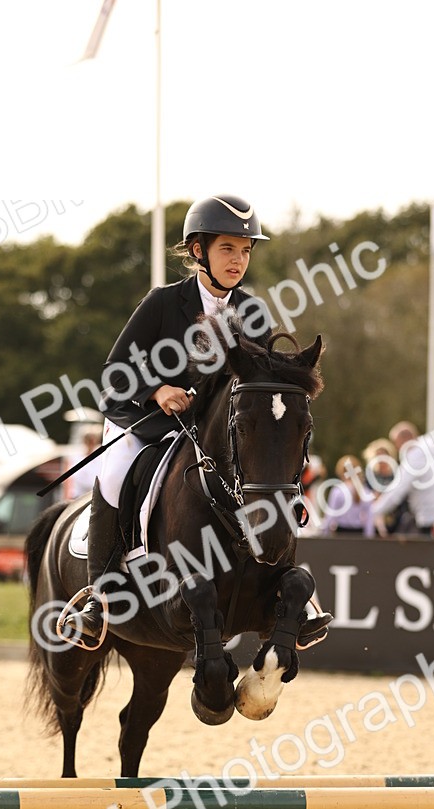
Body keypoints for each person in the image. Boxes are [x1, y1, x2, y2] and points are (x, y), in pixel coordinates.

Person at [59, 195, 332, 649]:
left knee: (265, 478)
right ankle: (99, 597)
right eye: (228, 248)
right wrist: (155, 390)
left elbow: (257, 382)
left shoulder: (253, 312)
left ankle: (294, 598)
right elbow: (113, 376)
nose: (238, 260)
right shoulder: (163, 303)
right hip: (147, 423)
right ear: (198, 250)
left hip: (213, 430)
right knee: (114, 470)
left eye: (246, 250)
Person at [370, 421, 434, 537]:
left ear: (402, 441)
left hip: (430, 521)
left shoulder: (415, 455)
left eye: (396, 445)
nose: (398, 449)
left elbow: (396, 491)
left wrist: (372, 511)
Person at [323, 455, 374, 536]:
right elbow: (369, 518)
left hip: (341, 532)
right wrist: (369, 536)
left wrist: (325, 533)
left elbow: (330, 515)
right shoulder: (365, 491)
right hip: (359, 532)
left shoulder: (338, 491)